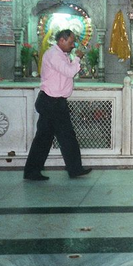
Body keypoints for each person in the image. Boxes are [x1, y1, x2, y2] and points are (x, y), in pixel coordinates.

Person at [24, 29, 92, 181]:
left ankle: (33, 171)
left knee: (47, 137)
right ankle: (74, 169)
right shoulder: (54, 55)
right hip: (51, 102)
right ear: (62, 40)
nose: (73, 45)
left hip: (54, 102)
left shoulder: (61, 54)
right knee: (64, 136)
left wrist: (73, 59)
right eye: (71, 42)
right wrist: (77, 59)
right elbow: (68, 72)